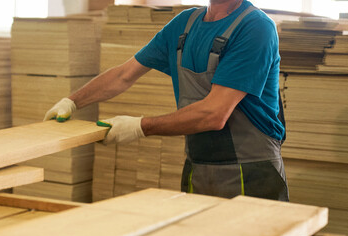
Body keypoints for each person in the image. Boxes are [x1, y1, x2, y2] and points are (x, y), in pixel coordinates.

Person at [44, 0, 289, 201]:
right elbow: (123, 75)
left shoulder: (255, 27)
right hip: (198, 169)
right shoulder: (184, 25)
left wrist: (140, 127)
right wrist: (71, 102)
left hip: (252, 173)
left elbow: (215, 113)